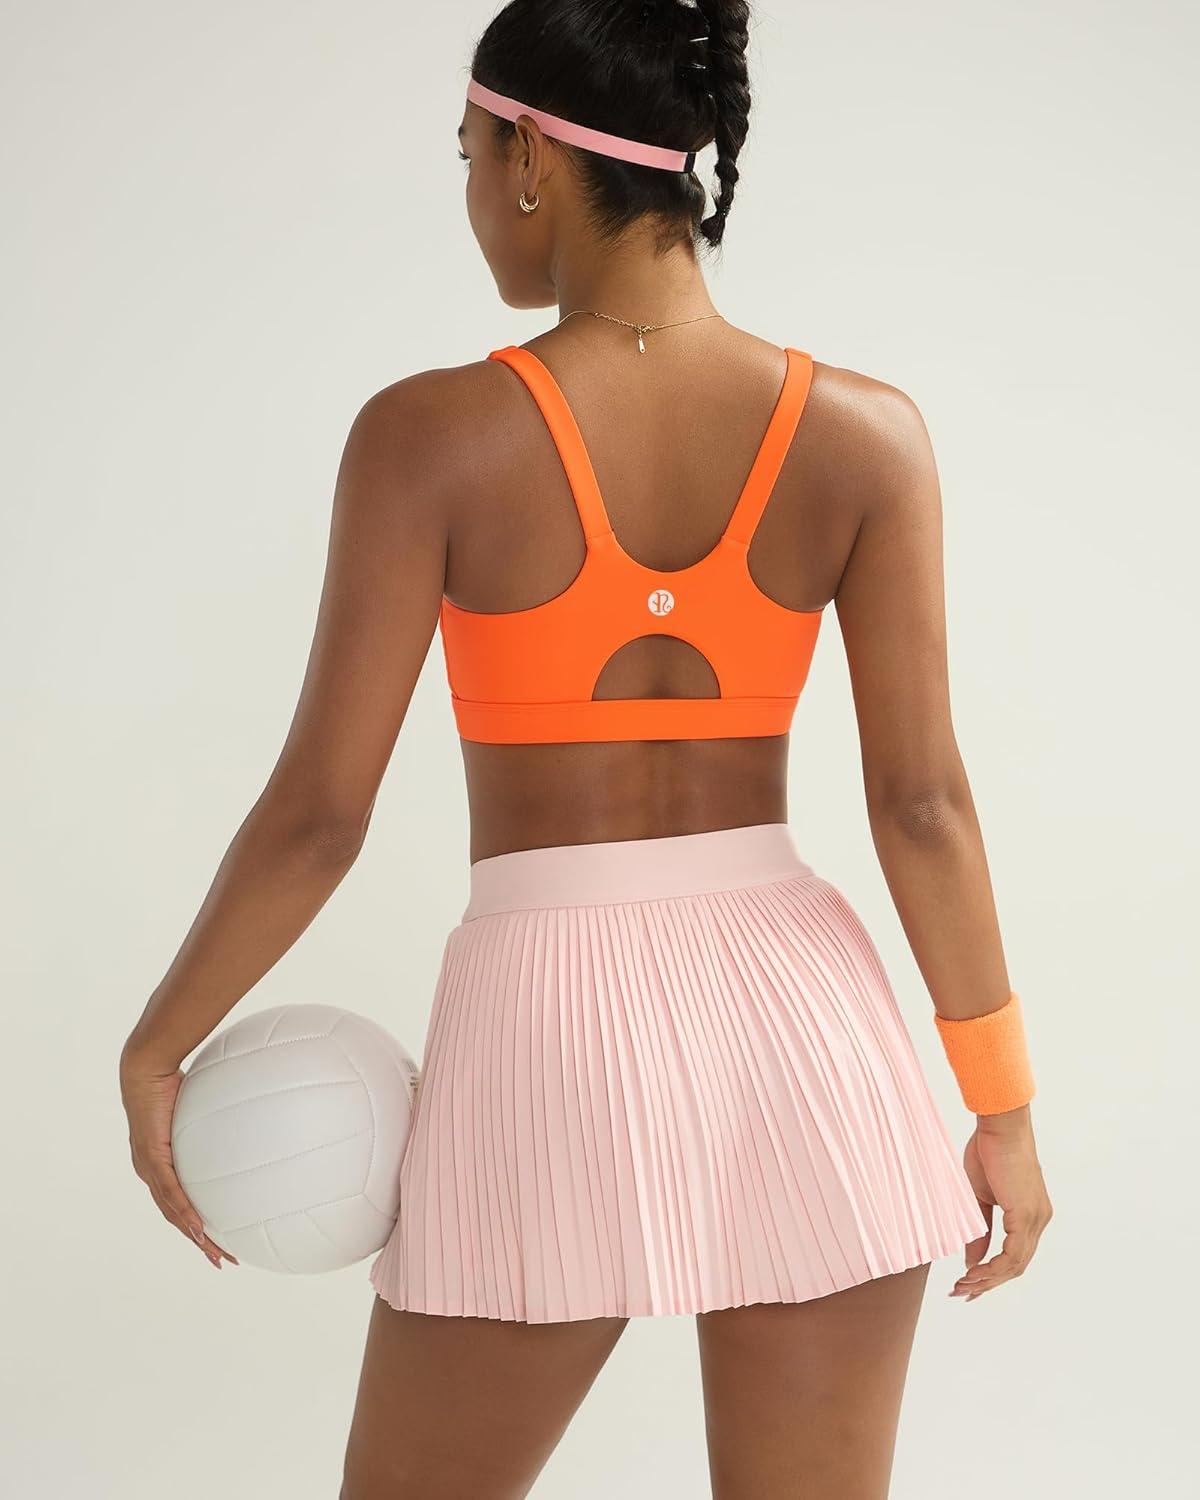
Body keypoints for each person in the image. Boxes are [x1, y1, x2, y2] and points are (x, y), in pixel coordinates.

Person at [119, 2, 1052, 1495]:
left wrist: (160, 1043)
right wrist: (1001, 1108)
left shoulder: (430, 435)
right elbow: (923, 805)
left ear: (532, 160)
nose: (471, 193)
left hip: (544, 1024)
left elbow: (319, 818)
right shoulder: (866, 434)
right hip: (808, 1026)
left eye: (469, 154)